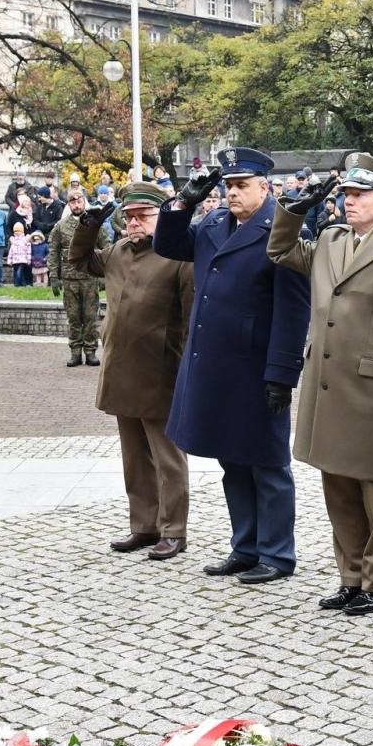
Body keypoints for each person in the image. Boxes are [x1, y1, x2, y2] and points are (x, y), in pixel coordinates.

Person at [266, 154, 373, 616]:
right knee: (336, 486)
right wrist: (294, 209)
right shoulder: (330, 239)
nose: (350, 201)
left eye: (361, 194)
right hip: (328, 385)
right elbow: (280, 251)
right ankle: (350, 577)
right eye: (347, 194)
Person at [155, 148, 312, 585]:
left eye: (242, 185)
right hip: (214, 365)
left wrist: (282, 373)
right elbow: (168, 245)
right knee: (233, 460)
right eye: (228, 186)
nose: (233, 193)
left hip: (256, 365)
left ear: (266, 187)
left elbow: (293, 309)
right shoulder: (213, 224)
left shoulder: (283, 229)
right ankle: (245, 547)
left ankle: (277, 553)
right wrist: (182, 203)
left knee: (267, 462)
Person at [72, 182, 194, 560]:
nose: (134, 223)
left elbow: (191, 320)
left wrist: (188, 371)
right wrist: (90, 225)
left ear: (161, 216)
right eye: (129, 217)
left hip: (161, 370)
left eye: (143, 216)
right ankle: (144, 525)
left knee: (167, 458)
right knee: (134, 456)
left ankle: (173, 530)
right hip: (121, 367)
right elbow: (80, 261)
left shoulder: (177, 256)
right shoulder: (118, 252)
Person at [51, 188, 113, 366]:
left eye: (79, 202)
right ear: (69, 204)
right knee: (73, 318)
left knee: (90, 317)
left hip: (89, 277)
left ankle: (91, 351)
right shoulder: (61, 226)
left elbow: (106, 248)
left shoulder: (94, 223)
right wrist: (54, 276)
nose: (77, 205)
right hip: (69, 278)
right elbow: (54, 251)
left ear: (84, 202)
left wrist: (104, 274)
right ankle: (75, 352)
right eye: (73, 202)